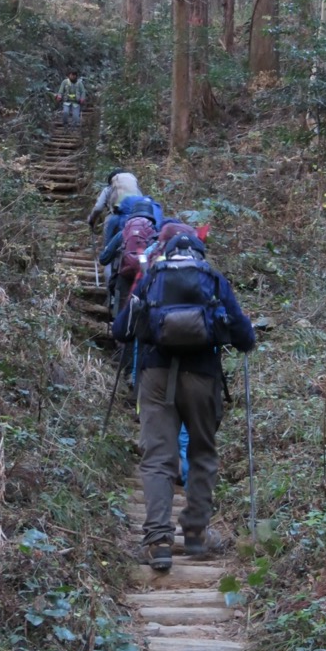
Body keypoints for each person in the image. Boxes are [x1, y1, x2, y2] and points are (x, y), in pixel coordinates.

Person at [112, 232, 255, 571]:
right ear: (201, 255)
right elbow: (245, 337)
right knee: (202, 453)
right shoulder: (215, 281)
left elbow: (122, 330)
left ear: (166, 253)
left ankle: (158, 541)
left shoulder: (150, 281)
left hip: (156, 376)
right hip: (203, 377)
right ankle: (195, 534)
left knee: (158, 457)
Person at [87, 168, 142, 246]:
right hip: (134, 219)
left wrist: (91, 220)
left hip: (114, 218)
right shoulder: (136, 189)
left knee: (108, 246)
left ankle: (107, 255)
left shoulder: (108, 189)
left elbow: (98, 208)